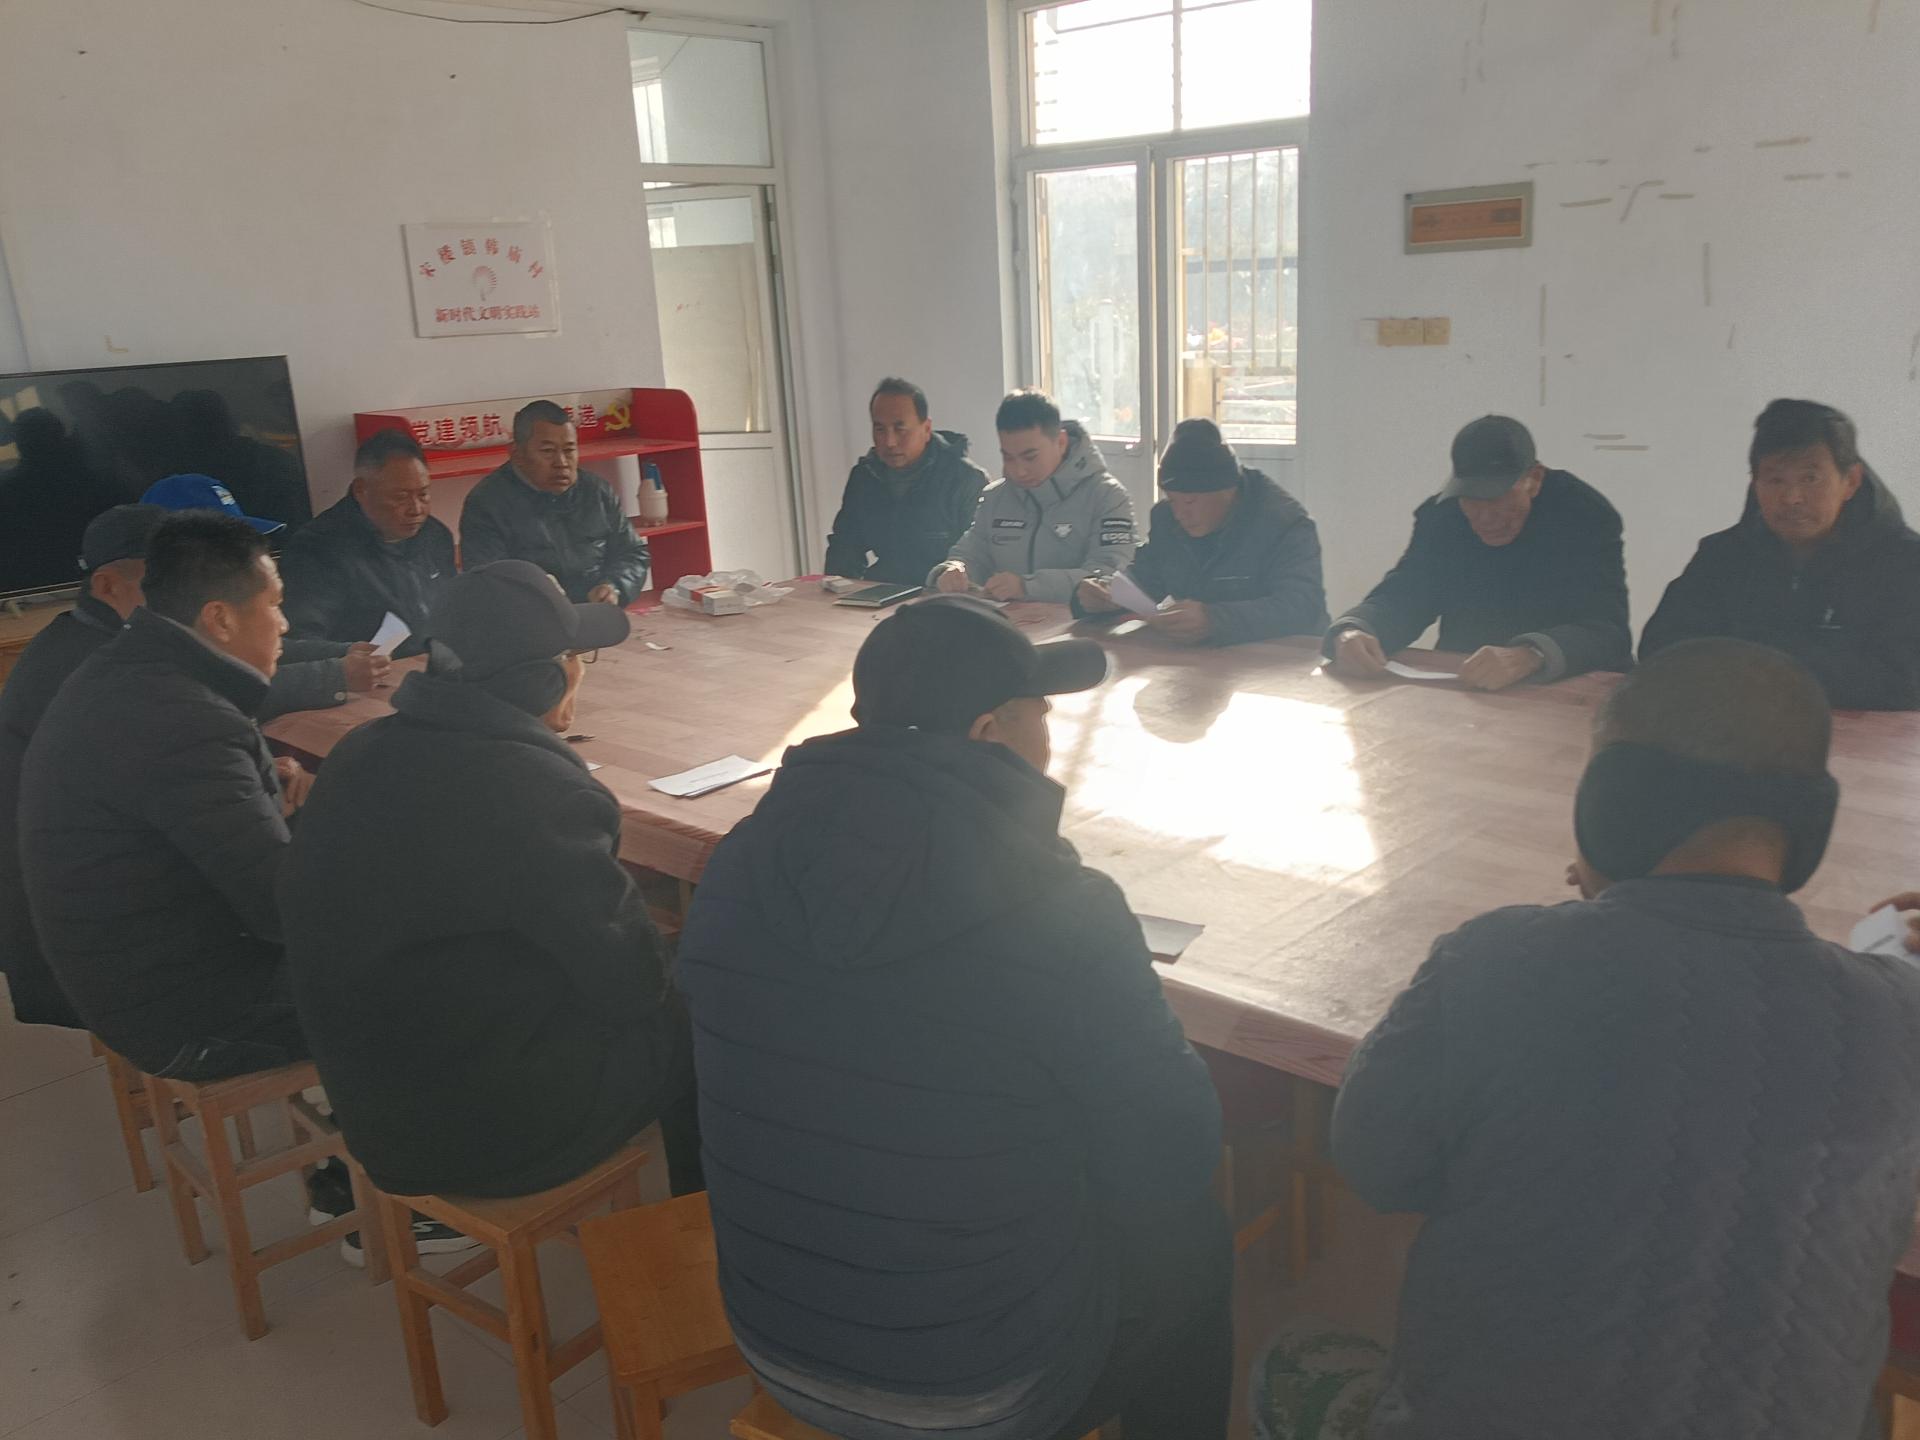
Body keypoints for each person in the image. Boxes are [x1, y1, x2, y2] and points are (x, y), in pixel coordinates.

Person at [1331, 637, 1920, 1440]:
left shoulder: (1498, 960)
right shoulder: (1899, 1016)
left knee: (1301, 1363)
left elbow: (1375, 1164)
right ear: (1810, 822)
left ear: (1613, 803)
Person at [677, 595, 1230, 1440]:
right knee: (1195, 1242)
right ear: (989, 734)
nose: (1051, 742)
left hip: (774, 1346)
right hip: (980, 1388)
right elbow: (1176, 1148)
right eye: (1041, 716)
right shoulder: (1063, 910)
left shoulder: (738, 863)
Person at [277, 560, 703, 1204]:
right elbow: (634, 985)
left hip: (374, 1109)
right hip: (486, 1135)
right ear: (549, 677)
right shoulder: (543, 793)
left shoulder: (359, 751)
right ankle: (703, 1229)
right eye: (576, 655)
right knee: (708, 1000)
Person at [18, 513, 316, 1079]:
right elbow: (281, 910)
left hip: (142, 973)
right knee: (436, 971)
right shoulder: (184, 716)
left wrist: (256, 789)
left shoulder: (128, 667)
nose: (284, 623)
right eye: (275, 605)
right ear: (219, 618)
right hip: (188, 1012)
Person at [1640, 398, 1920, 710]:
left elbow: (1905, 682)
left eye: (1810, 478)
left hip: (1862, 737)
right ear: (1755, 483)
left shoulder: (1907, 564)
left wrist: (1755, 660)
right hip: (1734, 728)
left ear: (1850, 481)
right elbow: (1660, 649)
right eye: (1775, 479)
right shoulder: (1721, 556)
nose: (1791, 497)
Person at [0, 505, 165, 1028]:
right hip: (78, 943)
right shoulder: (94, 666)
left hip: (83, 899)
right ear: (107, 584)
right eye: (165, 581)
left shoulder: (90, 637)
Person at [1323, 415, 1631, 691]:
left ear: (1534, 480)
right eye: (1471, 501)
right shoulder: (1444, 516)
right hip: (1466, 681)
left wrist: (1532, 655)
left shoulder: (1584, 516)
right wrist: (1355, 629)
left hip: (1563, 689)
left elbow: (1607, 631)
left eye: (1497, 501)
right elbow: (1409, 593)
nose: (1484, 518)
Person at [141, 473, 390, 715]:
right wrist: (336, 675)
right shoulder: (153, 653)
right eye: (227, 547)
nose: (246, 557)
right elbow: (226, 691)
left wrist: (344, 652)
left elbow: (262, 647)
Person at [1075, 418, 1327, 645]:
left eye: (1190, 501)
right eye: (1172, 500)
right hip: (1204, 660)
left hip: (1283, 661)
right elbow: (1145, 579)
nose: (1179, 514)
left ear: (1227, 491)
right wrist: (1102, 596)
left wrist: (1215, 620)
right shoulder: (1167, 519)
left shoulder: (1284, 523)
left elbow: (1301, 606)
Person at [929, 389, 1138, 603]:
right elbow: (972, 553)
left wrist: (1028, 587)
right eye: (1008, 457)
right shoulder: (995, 497)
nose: (1019, 471)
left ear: (1061, 442)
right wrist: (954, 570)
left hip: (1079, 622)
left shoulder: (1108, 496)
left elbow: (1108, 578)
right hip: (1007, 620)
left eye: (1030, 457)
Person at [278, 427, 456, 652]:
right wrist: (354, 657)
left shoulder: (434, 535)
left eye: (423, 494)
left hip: (435, 664)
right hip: (367, 670)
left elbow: (455, 608)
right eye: (401, 497)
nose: (416, 509)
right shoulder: (317, 549)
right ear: (362, 490)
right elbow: (300, 641)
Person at [460, 400, 650, 606]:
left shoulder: (597, 492)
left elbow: (633, 552)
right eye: (548, 451)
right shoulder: (486, 504)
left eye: (569, 450)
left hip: (594, 611)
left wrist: (614, 587)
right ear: (517, 454)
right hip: (531, 618)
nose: (562, 463)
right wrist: (533, 587)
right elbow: (485, 580)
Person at [824, 377, 989, 585]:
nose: (890, 442)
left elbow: (979, 557)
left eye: (900, 429)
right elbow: (845, 547)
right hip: (885, 590)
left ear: (926, 429)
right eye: (880, 429)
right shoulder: (865, 476)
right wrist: (837, 590)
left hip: (943, 593)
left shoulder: (965, 479)